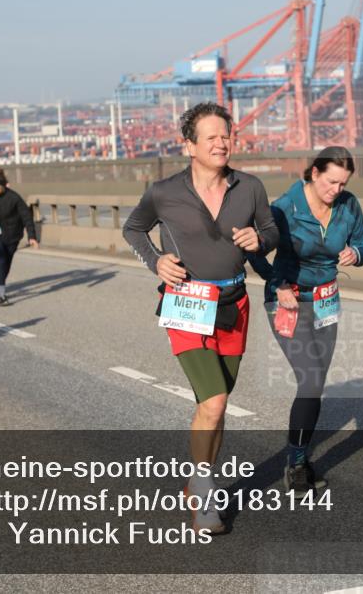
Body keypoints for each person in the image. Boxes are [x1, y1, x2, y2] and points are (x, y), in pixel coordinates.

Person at [123, 102, 278, 533]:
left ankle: (197, 478)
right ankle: (206, 496)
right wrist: (155, 262)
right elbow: (133, 229)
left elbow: (271, 231)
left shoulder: (249, 187)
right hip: (187, 302)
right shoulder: (164, 191)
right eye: (211, 137)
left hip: (234, 303)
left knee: (215, 406)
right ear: (189, 145)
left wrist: (259, 239)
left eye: (225, 135)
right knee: (214, 402)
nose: (221, 142)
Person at [249, 146, 363, 494]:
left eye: (343, 183)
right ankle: (298, 462)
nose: (337, 190)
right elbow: (252, 250)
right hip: (287, 301)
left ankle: (299, 453)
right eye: (331, 181)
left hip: (325, 301)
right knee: (312, 379)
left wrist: (355, 253)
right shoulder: (285, 208)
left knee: (315, 382)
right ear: (314, 173)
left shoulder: (349, 205)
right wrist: (277, 282)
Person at [0, 171, 39, 305]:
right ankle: (2, 295)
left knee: (6, 263)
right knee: (1, 258)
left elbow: (27, 218)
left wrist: (32, 236)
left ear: (3, 185)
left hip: (13, 235)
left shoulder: (14, 198)